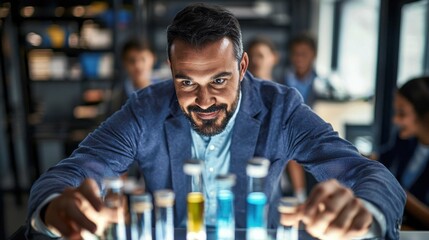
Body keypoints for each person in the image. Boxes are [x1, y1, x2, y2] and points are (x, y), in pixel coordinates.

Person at [27, 4, 405, 240]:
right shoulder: (146, 108)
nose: (204, 101)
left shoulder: (281, 109)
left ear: (242, 67)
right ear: (171, 70)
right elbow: (67, 175)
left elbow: (371, 176)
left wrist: (364, 215)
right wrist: (56, 207)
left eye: (219, 80)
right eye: (187, 81)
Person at [247, 36, 307, 201]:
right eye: (251, 56)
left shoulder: (285, 99)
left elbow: (293, 146)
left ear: (274, 58)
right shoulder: (238, 98)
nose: (255, 61)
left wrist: (300, 195)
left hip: (277, 179)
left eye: (260, 55)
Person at [378, 76, 429, 230]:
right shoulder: (406, 140)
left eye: (402, 113)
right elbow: (382, 158)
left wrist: (398, 191)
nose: (395, 120)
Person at [110, 37, 158, 113]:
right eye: (132, 61)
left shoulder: (167, 93)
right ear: (124, 63)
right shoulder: (115, 100)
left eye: (143, 59)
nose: (138, 66)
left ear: (153, 58)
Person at [284, 33, 318, 107]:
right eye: (295, 54)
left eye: (304, 54)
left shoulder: (321, 83)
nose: (299, 59)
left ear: (314, 55)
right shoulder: (280, 81)